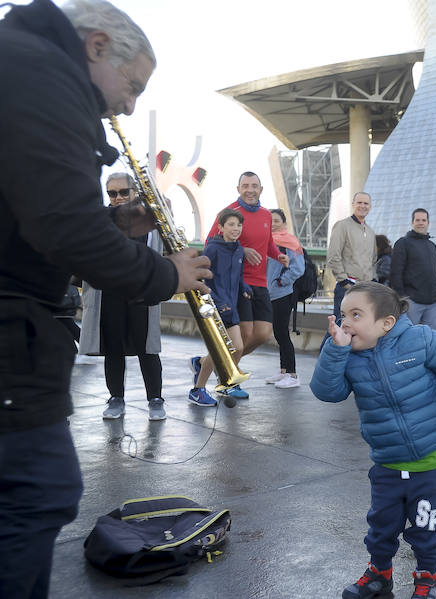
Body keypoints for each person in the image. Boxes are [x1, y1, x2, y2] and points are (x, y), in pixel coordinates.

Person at [0, 1, 212, 597]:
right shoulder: (43, 75)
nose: (129, 104)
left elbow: (33, 216)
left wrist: (119, 230)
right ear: (95, 46)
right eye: (133, 85)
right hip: (10, 329)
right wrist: (165, 274)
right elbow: (62, 227)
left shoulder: (21, 62)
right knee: (36, 490)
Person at [310, 282, 436, 599]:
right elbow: (326, 392)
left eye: (356, 314)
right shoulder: (347, 356)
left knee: (426, 525)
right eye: (343, 314)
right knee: (382, 523)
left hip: (432, 456)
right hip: (388, 458)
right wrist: (335, 349)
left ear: (386, 322)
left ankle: (428, 577)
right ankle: (379, 573)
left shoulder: (419, 339)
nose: (346, 322)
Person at [80, 173, 167, 421]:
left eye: (123, 192)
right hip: (109, 295)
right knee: (113, 348)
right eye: (112, 193)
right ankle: (116, 398)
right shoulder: (98, 221)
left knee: (147, 348)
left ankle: (156, 399)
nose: (117, 198)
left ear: (135, 192)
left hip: (142, 295)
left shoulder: (152, 221)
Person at [196, 172, 288, 400]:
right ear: (238, 188)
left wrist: (278, 256)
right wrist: (241, 249)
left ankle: (208, 363)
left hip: (260, 283)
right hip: (238, 283)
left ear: (261, 189)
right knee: (242, 337)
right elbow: (211, 243)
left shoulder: (267, 215)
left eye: (254, 186)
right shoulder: (229, 213)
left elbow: (268, 244)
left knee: (262, 335)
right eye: (245, 185)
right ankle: (227, 380)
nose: (250, 189)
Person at [189, 209, 250, 407]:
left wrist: (244, 288)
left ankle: (222, 380)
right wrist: (218, 302)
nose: (236, 228)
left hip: (231, 307)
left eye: (239, 225)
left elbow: (238, 277)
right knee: (219, 352)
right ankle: (197, 390)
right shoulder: (213, 249)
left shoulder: (239, 250)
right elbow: (203, 278)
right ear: (221, 227)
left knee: (238, 347)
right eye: (231, 224)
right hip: (214, 306)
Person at [264, 209, 305, 389]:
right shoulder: (266, 240)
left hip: (282, 293)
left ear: (284, 223)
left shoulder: (289, 241)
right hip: (269, 294)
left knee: (283, 333)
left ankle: (293, 374)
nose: (273, 224)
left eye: (276, 221)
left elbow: (298, 268)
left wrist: (281, 282)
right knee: (278, 333)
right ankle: (283, 371)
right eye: (270, 221)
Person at [390, 208, 436, 332]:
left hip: (433, 302)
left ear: (428, 223)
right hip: (412, 302)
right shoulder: (403, 243)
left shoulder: (432, 246)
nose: (421, 223)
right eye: (417, 220)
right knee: (407, 337)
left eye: (423, 220)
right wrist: (403, 298)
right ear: (412, 222)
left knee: (433, 339)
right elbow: (395, 273)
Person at [326, 191, 377, 320]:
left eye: (366, 203)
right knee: (339, 326)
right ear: (353, 204)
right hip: (347, 287)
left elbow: (373, 260)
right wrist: (344, 282)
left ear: (370, 207)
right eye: (359, 202)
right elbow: (333, 255)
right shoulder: (342, 226)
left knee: (359, 328)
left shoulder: (370, 231)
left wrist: (372, 280)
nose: (363, 206)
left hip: (365, 288)